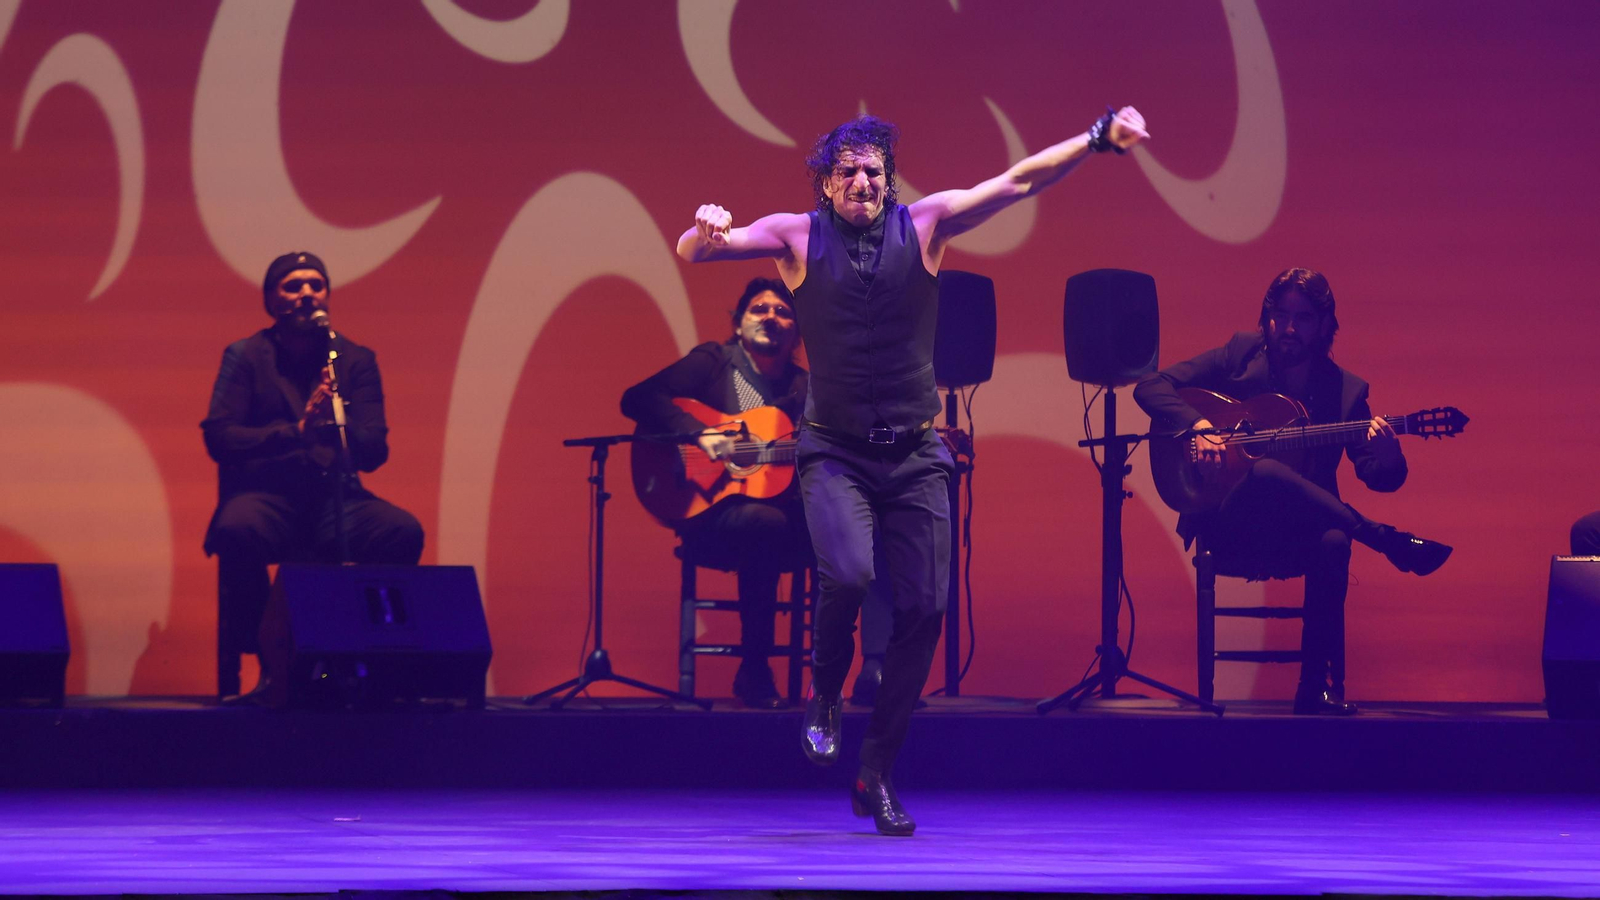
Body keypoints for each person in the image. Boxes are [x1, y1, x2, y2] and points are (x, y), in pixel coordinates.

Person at [677, 107, 1150, 834]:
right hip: (835, 451)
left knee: (925, 610)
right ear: (826, 184)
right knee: (851, 575)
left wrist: (1095, 139)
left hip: (916, 455)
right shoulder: (795, 237)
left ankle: (876, 771)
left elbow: (1018, 182)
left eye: (874, 171)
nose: (863, 182)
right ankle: (826, 693)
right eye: (848, 173)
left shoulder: (926, 225)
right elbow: (700, 251)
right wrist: (702, 228)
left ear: (888, 180)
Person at [1133, 268, 1452, 716]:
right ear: (1266, 319)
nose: (1288, 328)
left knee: (1335, 541)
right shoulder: (1240, 356)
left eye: (1302, 318)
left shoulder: (1345, 393)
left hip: (1298, 535)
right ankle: (1384, 539)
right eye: (1279, 315)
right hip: (1230, 522)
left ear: (1324, 325)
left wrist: (1391, 455)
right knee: (1261, 473)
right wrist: (1200, 426)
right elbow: (1151, 385)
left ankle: (1313, 690)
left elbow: (1377, 475)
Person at [202, 252, 425, 701]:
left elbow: (375, 449)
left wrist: (337, 429)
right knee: (237, 529)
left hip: (335, 497)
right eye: (292, 285)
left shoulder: (355, 359)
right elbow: (220, 437)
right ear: (270, 300)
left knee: (401, 531)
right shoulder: (246, 356)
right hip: (268, 495)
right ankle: (273, 661)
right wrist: (297, 433)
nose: (307, 293)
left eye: (316, 284)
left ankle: (369, 662)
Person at [621, 278, 812, 708]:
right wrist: (698, 434)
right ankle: (754, 669)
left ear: (797, 332)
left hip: (780, 522)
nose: (771, 318)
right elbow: (638, 398)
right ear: (739, 323)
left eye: (783, 313)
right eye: (759, 309)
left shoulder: (804, 389)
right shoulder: (714, 362)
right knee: (764, 524)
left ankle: (830, 681)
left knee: (839, 527)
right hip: (706, 515)